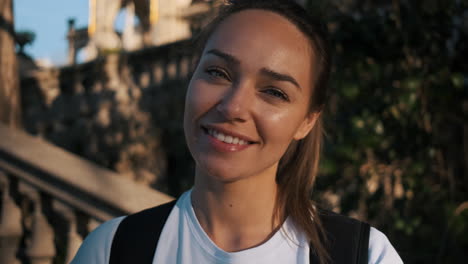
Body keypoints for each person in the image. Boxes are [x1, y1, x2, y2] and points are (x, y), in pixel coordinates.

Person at [71, 0, 403, 263]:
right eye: (217, 72)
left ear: (307, 121)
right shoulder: (113, 250)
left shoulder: (364, 255)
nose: (233, 107)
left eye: (274, 92)